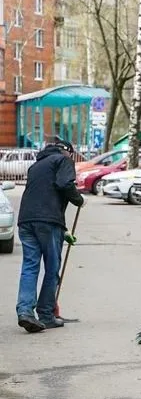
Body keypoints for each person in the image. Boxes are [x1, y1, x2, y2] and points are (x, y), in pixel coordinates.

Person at [15, 137, 84, 332]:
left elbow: (43, 194)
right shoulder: (63, 160)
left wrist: (64, 230)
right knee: (52, 268)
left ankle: (25, 311)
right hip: (47, 222)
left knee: (30, 266)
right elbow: (65, 184)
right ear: (67, 151)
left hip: (26, 221)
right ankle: (46, 314)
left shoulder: (36, 166)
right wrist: (79, 199)